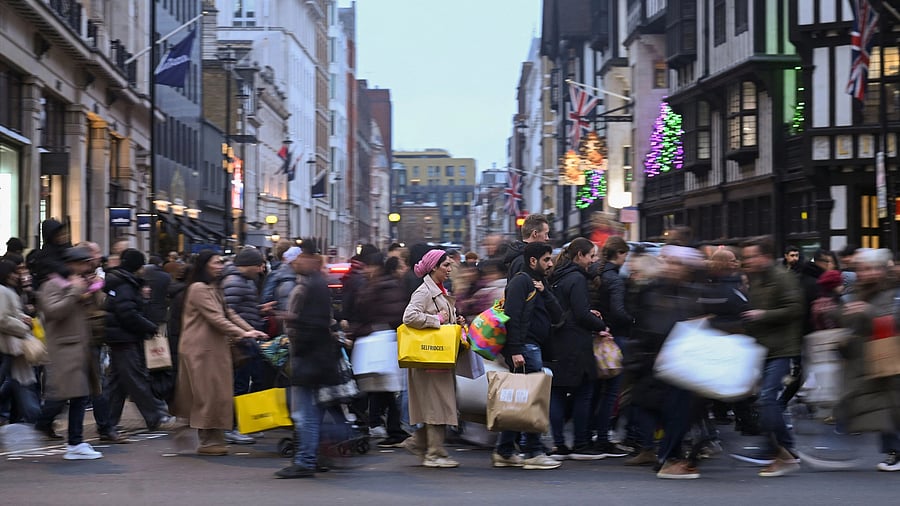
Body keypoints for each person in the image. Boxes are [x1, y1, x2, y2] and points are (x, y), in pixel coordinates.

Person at [172, 250, 267, 456]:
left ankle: (211, 436)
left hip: (214, 347)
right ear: (204, 265)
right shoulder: (198, 288)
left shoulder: (213, 287)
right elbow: (215, 317)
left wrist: (249, 330)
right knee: (207, 394)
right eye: (216, 263)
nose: (221, 266)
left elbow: (228, 313)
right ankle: (206, 439)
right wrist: (243, 333)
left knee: (217, 394)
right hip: (200, 349)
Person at [276, 244, 348, 478]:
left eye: (303, 257)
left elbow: (315, 325)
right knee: (315, 412)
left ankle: (306, 460)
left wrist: (293, 321)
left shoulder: (313, 286)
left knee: (307, 413)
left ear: (312, 260)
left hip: (310, 360)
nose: (298, 262)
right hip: (317, 359)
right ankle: (317, 453)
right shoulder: (315, 284)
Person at [735, 236, 804, 477]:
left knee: (767, 400)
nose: (748, 261)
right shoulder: (757, 279)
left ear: (765, 256)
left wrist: (762, 315)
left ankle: (782, 454)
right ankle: (785, 447)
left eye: (752, 256)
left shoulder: (783, 277)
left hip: (783, 348)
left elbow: (796, 309)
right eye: (746, 258)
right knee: (764, 400)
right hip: (764, 348)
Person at [492, 242, 564, 470]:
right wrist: (515, 350)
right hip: (526, 347)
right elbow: (512, 317)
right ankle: (532, 451)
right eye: (546, 259)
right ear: (533, 261)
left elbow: (558, 314)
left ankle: (504, 451)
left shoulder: (540, 283)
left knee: (521, 400)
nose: (551, 263)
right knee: (533, 400)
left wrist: (545, 292)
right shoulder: (520, 282)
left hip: (533, 347)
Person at [33, 246, 103, 460]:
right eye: (83, 263)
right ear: (71, 264)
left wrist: (92, 290)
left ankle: (75, 442)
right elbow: (54, 311)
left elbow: (100, 305)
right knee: (62, 397)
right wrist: (74, 291)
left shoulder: (78, 283)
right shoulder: (51, 284)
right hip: (63, 348)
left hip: (79, 347)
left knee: (79, 396)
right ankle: (41, 427)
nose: (87, 267)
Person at [835, 248, 900, 472]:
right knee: (883, 405)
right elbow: (850, 319)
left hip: (889, 354)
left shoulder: (892, 290)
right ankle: (893, 451)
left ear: (882, 270)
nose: (866, 273)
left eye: (871, 268)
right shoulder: (858, 290)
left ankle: (894, 451)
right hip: (870, 356)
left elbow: (892, 319)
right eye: (862, 269)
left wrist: (867, 311)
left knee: (890, 405)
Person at [401, 249, 466, 468]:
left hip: (439, 357)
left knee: (440, 405)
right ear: (434, 267)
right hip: (430, 358)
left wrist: (456, 321)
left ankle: (419, 443)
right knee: (438, 406)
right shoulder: (424, 291)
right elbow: (409, 316)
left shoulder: (438, 289)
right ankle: (434, 453)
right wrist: (436, 319)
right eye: (446, 265)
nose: (450, 269)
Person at [546, 238, 608, 461]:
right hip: (575, 342)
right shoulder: (577, 278)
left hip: (556, 340)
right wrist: (600, 324)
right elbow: (581, 313)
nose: (594, 260)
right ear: (580, 256)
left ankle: (559, 444)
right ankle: (581, 443)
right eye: (591, 255)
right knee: (584, 392)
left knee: (557, 392)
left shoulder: (556, 276)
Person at [104, 248, 176, 433]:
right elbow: (127, 313)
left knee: (117, 383)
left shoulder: (122, 282)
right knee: (136, 379)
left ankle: (107, 422)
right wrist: (148, 327)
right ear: (137, 266)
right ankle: (156, 415)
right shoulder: (125, 285)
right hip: (124, 338)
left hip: (119, 337)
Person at [353, 254, 410, 448]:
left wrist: (364, 328)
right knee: (383, 389)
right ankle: (391, 428)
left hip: (381, 344)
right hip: (377, 343)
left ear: (376, 267)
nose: (365, 271)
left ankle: (393, 429)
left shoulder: (384, 286)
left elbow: (391, 315)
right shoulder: (380, 285)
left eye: (368, 267)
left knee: (385, 388)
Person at [221, 247, 270, 444]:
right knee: (240, 384)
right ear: (248, 265)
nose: (261, 269)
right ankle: (232, 427)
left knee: (254, 380)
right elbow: (228, 313)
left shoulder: (245, 282)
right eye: (258, 265)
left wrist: (259, 310)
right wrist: (242, 334)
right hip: (242, 341)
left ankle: (247, 423)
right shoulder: (234, 283)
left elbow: (239, 310)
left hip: (249, 339)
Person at [590, 236, 634, 458]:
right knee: (613, 391)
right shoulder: (615, 279)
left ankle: (592, 433)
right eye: (625, 255)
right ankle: (604, 436)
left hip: (597, 335)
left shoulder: (596, 273)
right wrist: (632, 321)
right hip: (614, 337)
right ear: (619, 254)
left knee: (597, 390)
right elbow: (618, 310)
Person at [0, 259, 40, 425]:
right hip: (7, 345)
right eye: (14, 272)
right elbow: (2, 319)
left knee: (18, 382)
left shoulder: (9, 290)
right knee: (17, 382)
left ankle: (32, 417)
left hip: (11, 345)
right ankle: (36, 418)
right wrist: (23, 325)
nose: (17, 276)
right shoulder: (3, 291)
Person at [504, 213, 550, 280]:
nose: (547, 238)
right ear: (535, 234)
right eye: (545, 234)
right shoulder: (523, 261)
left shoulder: (522, 257)